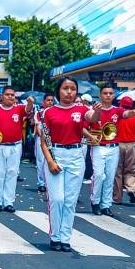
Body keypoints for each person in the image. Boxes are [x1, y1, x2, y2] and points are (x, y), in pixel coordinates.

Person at [38, 77, 104, 251]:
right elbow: (44, 141)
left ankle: (65, 238)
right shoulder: (48, 112)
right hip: (56, 153)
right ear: (58, 91)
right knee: (57, 198)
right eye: (65, 88)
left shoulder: (82, 109)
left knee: (70, 200)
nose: (69, 92)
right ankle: (55, 236)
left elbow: (92, 117)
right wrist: (51, 161)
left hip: (76, 154)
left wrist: (97, 112)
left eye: (73, 89)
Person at [88, 84, 135, 216]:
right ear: (100, 95)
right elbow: (88, 120)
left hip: (114, 147)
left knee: (110, 176)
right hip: (98, 147)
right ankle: (95, 202)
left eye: (111, 93)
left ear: (114, 95)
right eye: (105, 93)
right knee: (99, 175)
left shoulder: (117, 110)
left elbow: (127, 114)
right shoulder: (93, 109)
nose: (108, 95)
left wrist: (134, 112)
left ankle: (106, 205)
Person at [0, 86, 33, 211]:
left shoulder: (19, 108)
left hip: (15, 146)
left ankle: (9, 202)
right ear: (2, 96)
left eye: (12, 95)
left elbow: (27, 109)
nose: (10, 97)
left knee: (12, 173)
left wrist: (30, 101)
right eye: (8, 94)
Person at [113, 96, 135, 204]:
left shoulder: (118, 116)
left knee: (117, 171)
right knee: (131, 170)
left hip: (118, 144)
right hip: (132, 145)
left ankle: (117, 197)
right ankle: (131, 189)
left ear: (120, 104)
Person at [33, 93, 54, 192]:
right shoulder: (39, 113)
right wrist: (43, 136)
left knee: (51, 161)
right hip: (41, 138)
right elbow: (38, 126)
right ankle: (41, 183)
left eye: (51, 100)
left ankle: (49, 182)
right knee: (41, 161)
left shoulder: (55, 111)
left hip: (53, 139)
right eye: (48, 100)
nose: (50, 102)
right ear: (44, 102)